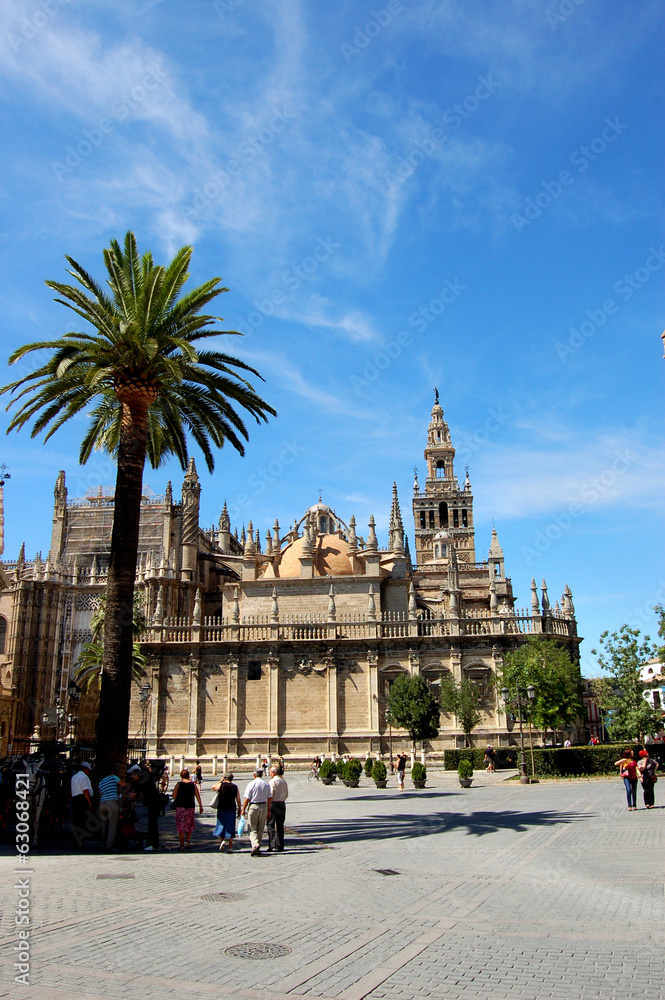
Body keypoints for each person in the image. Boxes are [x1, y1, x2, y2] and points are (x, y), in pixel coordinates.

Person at [241, 768, 271, 857]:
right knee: (260, 828)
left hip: (253, 807)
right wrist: (269, 810)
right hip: (263, 806)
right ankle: (258, 847)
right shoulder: (266, 784)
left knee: (252, 827)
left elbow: (247, 798)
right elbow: (270, 798)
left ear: (254, 775)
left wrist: (243, 809)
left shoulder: (251, 784)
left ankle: (255, 844)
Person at [171, 768, 203, 850]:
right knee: (189, 824)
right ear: (188, 775)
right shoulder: (193, 785)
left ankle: (181, 844)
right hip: (190, 807)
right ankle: (188, 841)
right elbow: (197, 796)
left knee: (180, 826)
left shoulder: (179, 784)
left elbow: (173, 796)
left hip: (180, 807)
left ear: (181, 776)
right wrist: (200, 806)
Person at [210, 772, 241, 852]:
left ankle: (222, 840)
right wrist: (240, 808)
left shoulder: (221, 785)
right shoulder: (235, 787)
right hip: (231, 809)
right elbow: (238, 799)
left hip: (222, 808)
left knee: (221, 825)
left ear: (225, 778)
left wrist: (220, 781)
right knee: (231, 826)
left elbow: (213, 787)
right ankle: (230, 847)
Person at [70, 762, 94, 849]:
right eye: (88, 770)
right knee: (83, 821)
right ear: (85, 769)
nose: (89, 772)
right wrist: (90, 803)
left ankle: (75, 842)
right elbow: (85, 791)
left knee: (76, 821)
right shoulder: (84, 777)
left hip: (75, 799)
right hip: (82, 800)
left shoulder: (74, 777)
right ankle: (80, 843)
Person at [97, 768, 121, 851]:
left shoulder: (101, 782)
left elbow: (100, 793)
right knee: (112, 826)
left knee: (104, 825)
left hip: (102, 803)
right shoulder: (113, 777)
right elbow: (123, 784)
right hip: (111, 802)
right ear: (111, 772)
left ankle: (104, 845)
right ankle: (109, 846)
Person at [267, 765, 289, 852]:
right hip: (282, 804)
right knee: (280, 825)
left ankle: (272, 845)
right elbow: (286, 794)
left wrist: (268, 806)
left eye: (270, 773)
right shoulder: (284, 782)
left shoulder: (272, 782)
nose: (269, 774)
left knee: (271, 825)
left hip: (273, 804)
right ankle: (280, 845)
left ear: (273, 773)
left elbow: (271, 794)